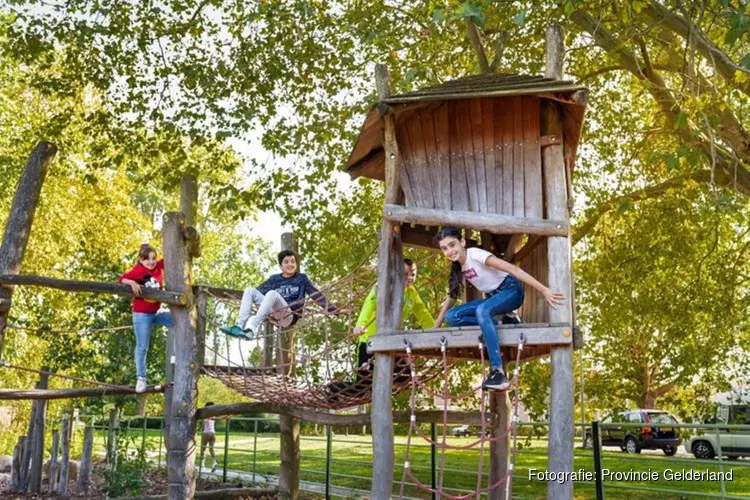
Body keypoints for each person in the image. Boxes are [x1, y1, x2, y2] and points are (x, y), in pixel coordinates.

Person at [433, 227, 565, 392]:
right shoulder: (459, 267)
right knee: (452, 317)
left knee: (482, 311)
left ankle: (498, 372)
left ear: (462, 242)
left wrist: (544, 290)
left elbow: (514, 270)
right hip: (493, 299)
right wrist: (435, 328)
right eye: (444, 248)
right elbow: (450, 299)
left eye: (452, 245)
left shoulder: (476, 255)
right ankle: (504, 321)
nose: (449, 251)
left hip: (511, 291)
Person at [221, 250, 337, 339]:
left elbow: (316, 295)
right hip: (272, 315)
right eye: (286, 262)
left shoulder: (302, 279)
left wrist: (334, 310)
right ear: (281, 266)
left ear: (296, 264)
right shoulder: (274, 279)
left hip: (289, 315)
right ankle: (239, 326)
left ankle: (251, 328)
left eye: (293, 261)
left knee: (272, 293)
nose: (290, 264)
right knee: (250, 290)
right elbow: (257, 293)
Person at [351, 258, 434, 377]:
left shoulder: (411, 293)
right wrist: (360, 325)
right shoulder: (383, 287)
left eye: (413, 274)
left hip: (391, 341)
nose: (410, 277)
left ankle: (385, 385)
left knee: (405, 375)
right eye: (405, 274)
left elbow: (422, 313)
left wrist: (434, 329)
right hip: (370, 341)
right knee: (363, 384)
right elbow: (368, 305)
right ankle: (332, 389)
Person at [119, 243, 173, 393]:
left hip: (157, 312)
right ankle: (141, 378)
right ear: (141, 260)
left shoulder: (158, 267)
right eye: (148, 259)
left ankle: (178, 359)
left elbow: (172, 256)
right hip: (142, 315)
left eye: (153, 258)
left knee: (178, 321)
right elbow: (122, 278)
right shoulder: (138, 271)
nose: (151, 262)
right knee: (142, 346)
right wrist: (131, 282)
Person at [201, 402, 217, 471]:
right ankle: (214, 462)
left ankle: (202, 465)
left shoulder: (205, 415)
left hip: (206, 433)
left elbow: (203, 422)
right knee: (211, 449)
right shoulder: (214, 415)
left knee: (203, 449)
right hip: (213, 434)